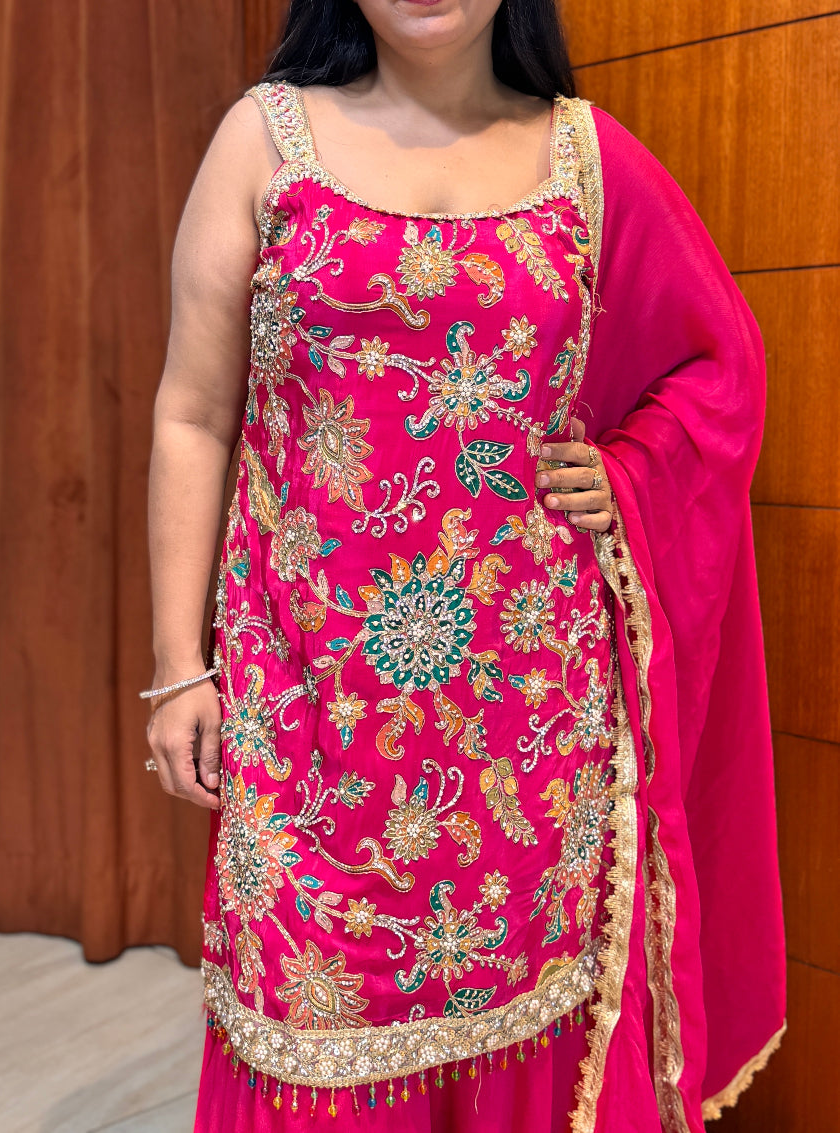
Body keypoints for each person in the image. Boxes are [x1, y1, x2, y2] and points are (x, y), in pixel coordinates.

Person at [141, 1, 786, 1130]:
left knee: (531, 1020)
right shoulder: (265, 138)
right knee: (305, 1028)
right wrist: (175, 666)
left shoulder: (585, 154)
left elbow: (718, 363)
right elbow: (195, 415)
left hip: (530, 722)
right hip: (310, 712)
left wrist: (628, 471)